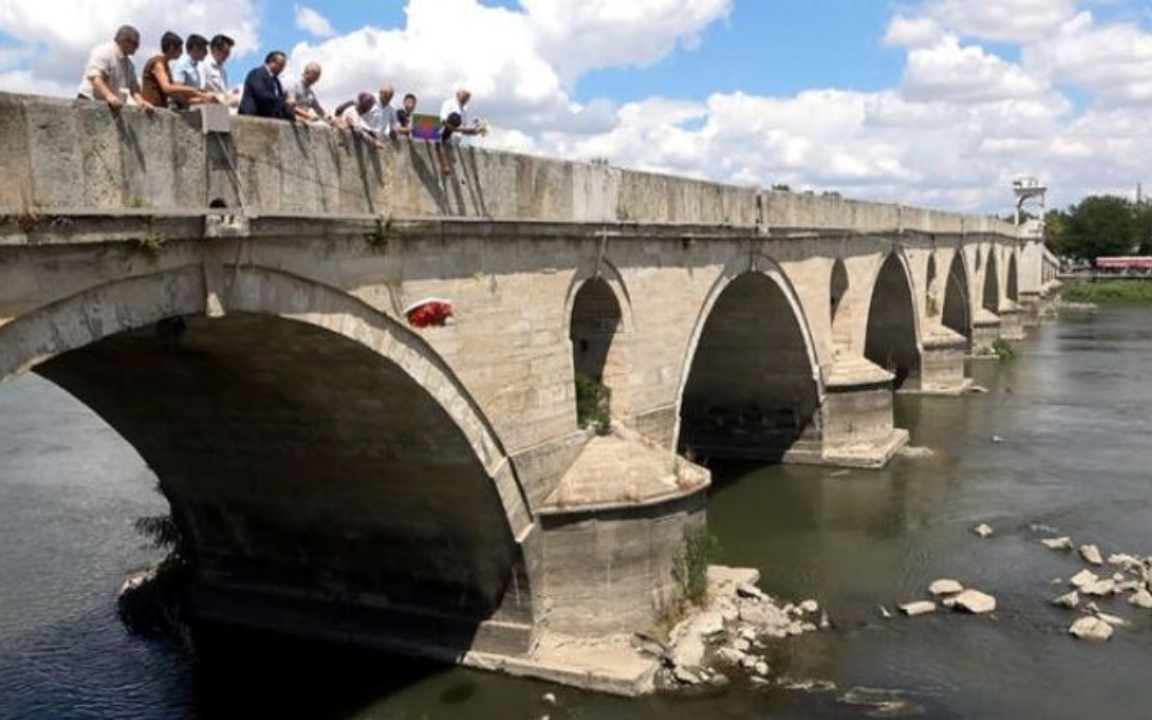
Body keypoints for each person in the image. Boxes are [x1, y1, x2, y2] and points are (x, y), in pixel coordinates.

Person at [77, 25, 154, 112]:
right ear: (124, 40)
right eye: (135, 43)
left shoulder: (129, 64)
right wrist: (109, 96)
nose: (137, 47)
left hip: (107, 105)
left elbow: (134, 87)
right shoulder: (104, 51)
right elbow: (95, 78)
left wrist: (141, 102)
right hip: (89, 101)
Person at [141, 31, 212, 108]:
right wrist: (192, 90)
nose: (181, 53)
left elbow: (173, 94)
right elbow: (167, 88)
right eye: (180, 50)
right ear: (171, 47)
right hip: (151, 108)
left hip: (159, 108)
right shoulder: (158, 63)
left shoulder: (165, 65)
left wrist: (201, 99)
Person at [238, 51, 295, 120]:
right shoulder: (257, 73)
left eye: (283, 66)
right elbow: (262, 95)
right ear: (272, 62)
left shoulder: (276, 81)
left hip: (269, 120)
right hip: (252, 118)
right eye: (281, 65)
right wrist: (284, 100)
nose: (282, 69)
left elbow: (279, 103)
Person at [437, 88, 480, 174]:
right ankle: (445, 165)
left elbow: (463, 127)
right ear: (458, 94)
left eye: (468, 98)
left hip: (456, 141)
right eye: (465, 96)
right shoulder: (449, 104)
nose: (466, 99)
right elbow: (444, 122)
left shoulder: (464, 109)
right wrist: (465, 129)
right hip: (446, 136)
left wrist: (474, 131)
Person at [169, 33, 209, 101]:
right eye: (204, 50)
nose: (207, 53)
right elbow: (177, 89)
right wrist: (200, 98)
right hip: (180, 107)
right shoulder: (182, 64)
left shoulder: (195, 66)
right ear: (195, 48)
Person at [203, 34, 236, 106]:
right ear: (215, 49)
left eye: (228, 53)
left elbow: (224, 91)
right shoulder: (204, 65)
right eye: (225, 52)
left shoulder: (222, 70)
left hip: (222, 105)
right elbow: (199, 89)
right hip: (209, 106)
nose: (227, 56)